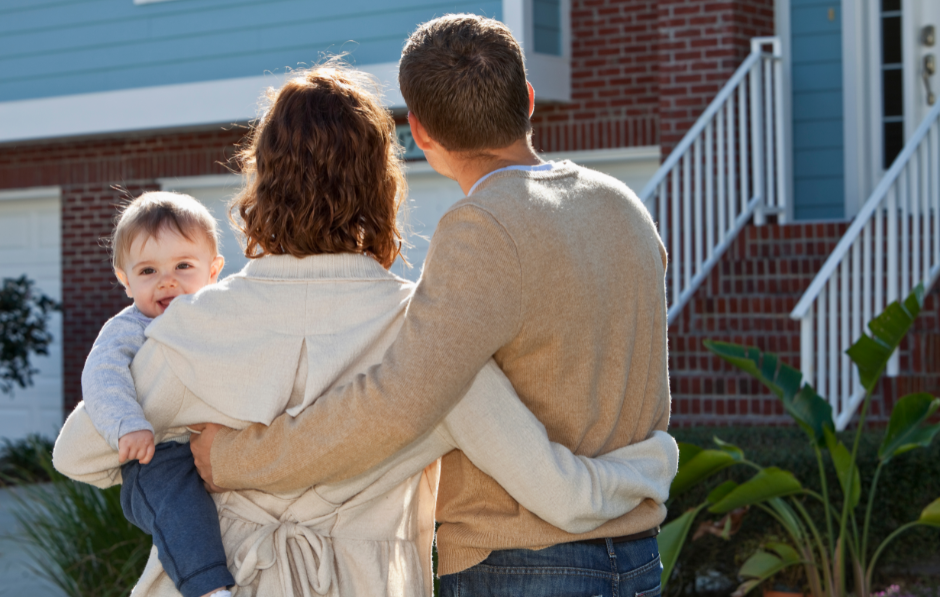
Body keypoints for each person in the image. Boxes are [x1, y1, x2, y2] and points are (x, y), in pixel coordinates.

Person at [53, 63, 678, 597]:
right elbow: (560, 494)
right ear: (384, 185)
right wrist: (651, 465)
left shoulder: (195, 326)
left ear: (260, 183)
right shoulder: (430, 331)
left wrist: (181, 453)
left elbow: (79, 454)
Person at [78, 192, 233, 597]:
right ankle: (208, 587)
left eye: (183, 265)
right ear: (124, 279)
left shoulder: (220, 315)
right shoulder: (127, 329)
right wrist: (128, 425)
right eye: (148, 270)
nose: (168, 280)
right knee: (180, 508)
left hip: (216, 442)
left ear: (214, 270)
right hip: (157, 455)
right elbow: (102, 376)